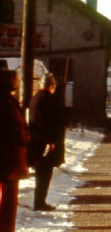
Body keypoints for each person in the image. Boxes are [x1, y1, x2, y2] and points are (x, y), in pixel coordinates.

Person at [0, 69, 31, 232]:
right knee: (7, 207)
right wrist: (27, 136)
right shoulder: (7, 104)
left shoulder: (7, 103)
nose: (18, 81)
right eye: (15, 79)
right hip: (8, 162)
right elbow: (14, 132)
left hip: (6, 161)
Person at [29, 72, 64, 211]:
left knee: (41, 172)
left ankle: (39, 201)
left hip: (37, 141)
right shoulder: (48, 99)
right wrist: (50, 141)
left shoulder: (35, 98)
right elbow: (46, 122)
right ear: (51, 86)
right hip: (45, 143)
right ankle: (40, 202)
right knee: (44, 172)